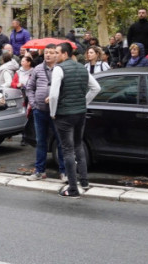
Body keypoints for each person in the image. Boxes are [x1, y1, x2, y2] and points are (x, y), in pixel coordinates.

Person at [49, 42, 101, 198]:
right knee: (78, 146)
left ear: (65, 54)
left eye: (56, 53)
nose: (54, 55)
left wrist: (53, 112)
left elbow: (53, 95)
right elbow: (96, 88)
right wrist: (83, 102)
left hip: (64, 114)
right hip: (80, 113)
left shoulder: (59, 69)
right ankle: (84, 181)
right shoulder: (82, 67)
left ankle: (72, 188)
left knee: (67, 150)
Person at [25, 45, 66, 181]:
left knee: (60, 141)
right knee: (41, 141)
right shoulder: (37, 69)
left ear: (56, 55)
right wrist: (33, 103)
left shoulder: (61, 69)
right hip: (40, 111)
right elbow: (29, 88)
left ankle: (63, 171)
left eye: (51, 53)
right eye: (46, 53)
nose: (48, 55)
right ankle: (39, 171)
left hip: (57, 112)